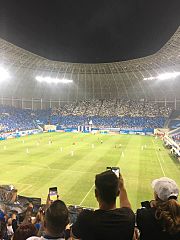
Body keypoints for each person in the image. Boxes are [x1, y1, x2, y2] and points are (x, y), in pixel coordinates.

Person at [71, 170, 135, 240]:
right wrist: (122, 188)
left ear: (96, 193)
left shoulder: (86, 218)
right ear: (118, 193)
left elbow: (73, 235)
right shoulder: (128, 218)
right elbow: (127, 208)